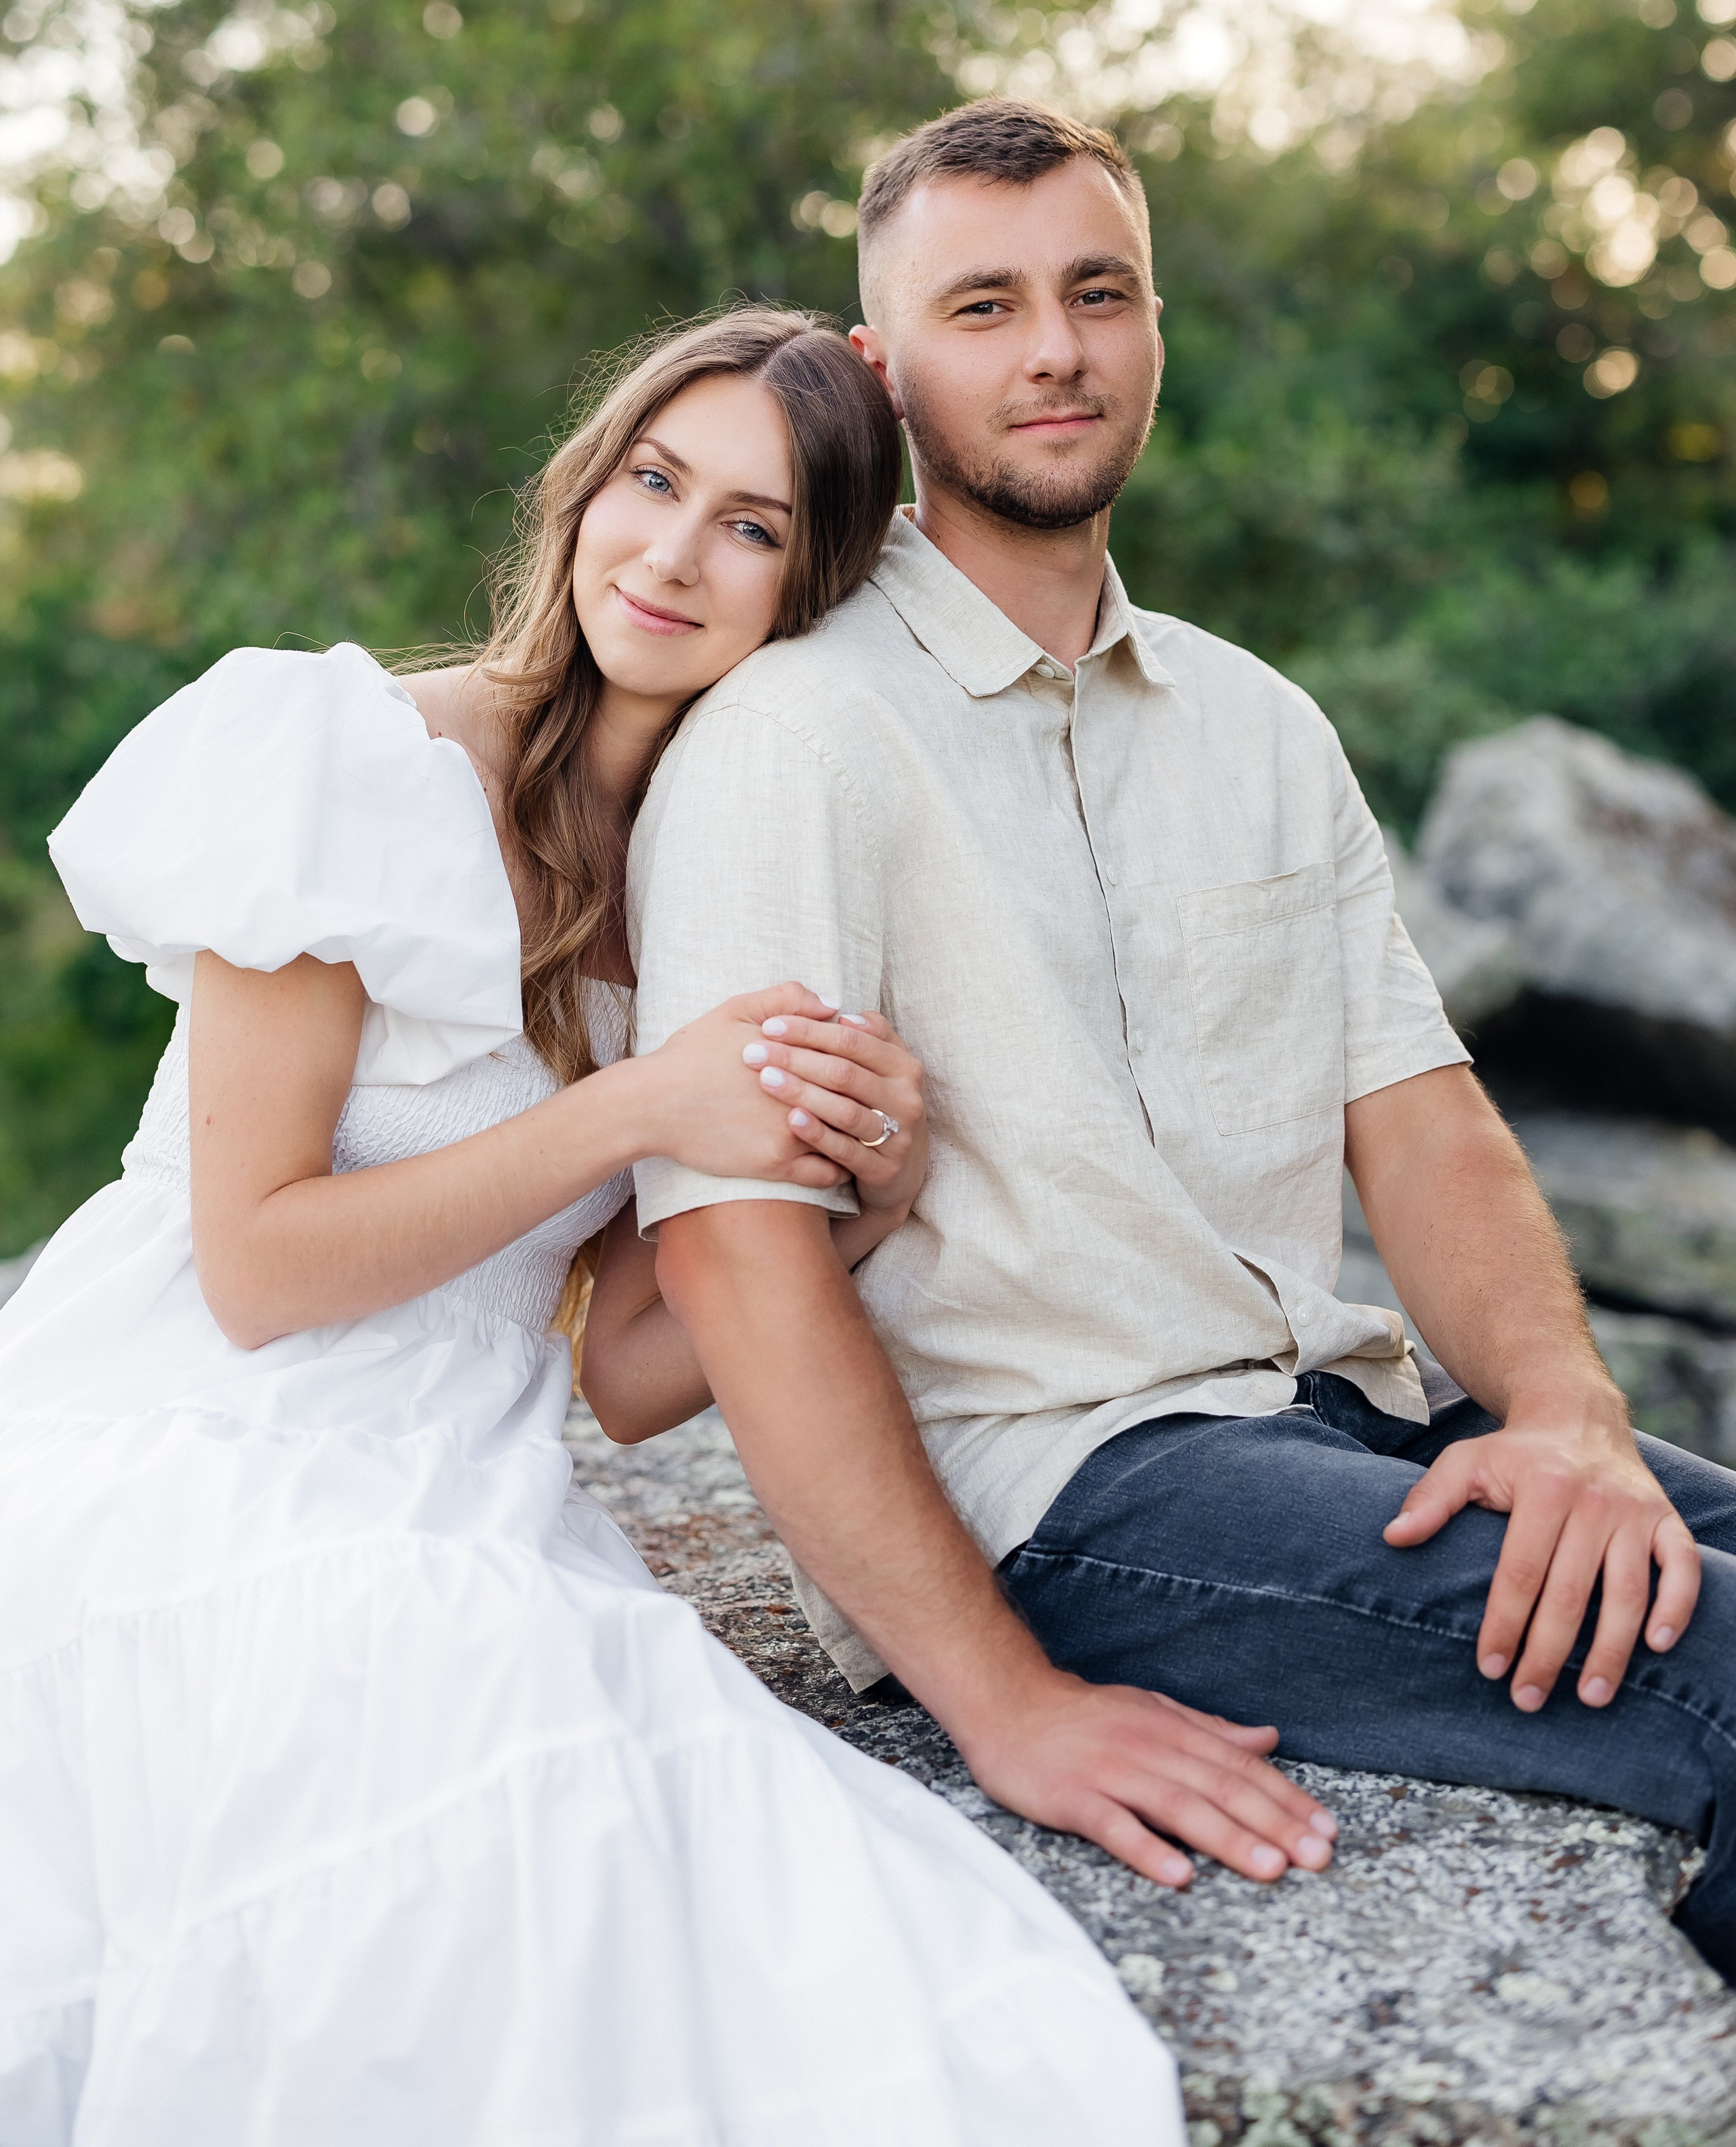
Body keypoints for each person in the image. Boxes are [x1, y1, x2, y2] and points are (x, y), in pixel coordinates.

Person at [0, 306, 1181, 2144]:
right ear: (585, 484)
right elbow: (256, 1269)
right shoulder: (357, 762)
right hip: (179, 1423)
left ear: (808, 592)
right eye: (655, 481)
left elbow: (624, 1377)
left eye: (753, 527)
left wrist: (857, 1206)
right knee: (414, 1755)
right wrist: (638, 1105)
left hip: (450, 1459)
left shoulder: (721, 886)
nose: (673, 554)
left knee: (662, 1848)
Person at [583, 104, 1736, 1983]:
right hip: (1062, 1486)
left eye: (1096, 292)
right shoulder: (796, 734)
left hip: (1325, 1418)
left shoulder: (1258, 720)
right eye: (984, 306)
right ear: (881, 371)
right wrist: (1004, 1703)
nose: (1055, 348)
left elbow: (1425, 1121)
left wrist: (1567, 1413)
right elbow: (732, 1251)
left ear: (1152, 329)